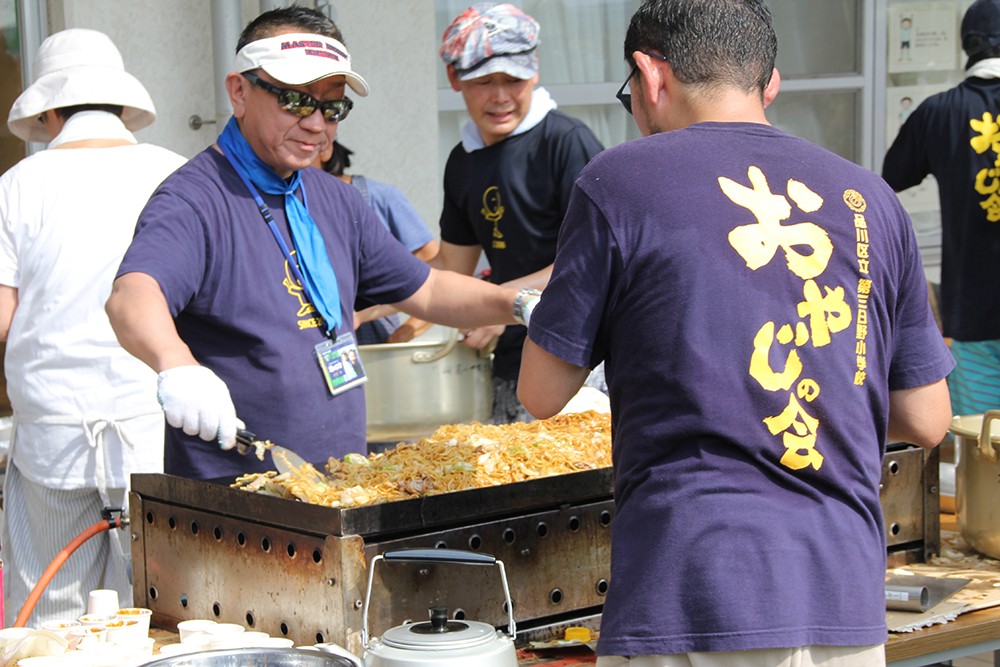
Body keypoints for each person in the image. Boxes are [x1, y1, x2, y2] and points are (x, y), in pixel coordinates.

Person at [517, 1, 954, 665]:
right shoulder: (872, 201)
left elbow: (542, 390)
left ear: (648, 75)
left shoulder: (618, 182)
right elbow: (927, 417)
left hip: (687, 592)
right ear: (769, 81)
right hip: (843, 599)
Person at [105, 6, 528, 482]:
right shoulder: (196, 198)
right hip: (238, 498)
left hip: (337, 486)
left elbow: (428, 291)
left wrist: (522, 305)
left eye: (332, 106)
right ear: (239, 91)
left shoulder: (333, 198)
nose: (316, 123)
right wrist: (177, 366)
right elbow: (132, 295)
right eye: (295, 100)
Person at [0, 28, 186, 626]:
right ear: (119, 102)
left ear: (49, 110)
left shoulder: (17, 185)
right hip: (157, 422)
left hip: (53, 431)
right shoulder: (176, 172)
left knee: (53, 611)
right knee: (163, 607)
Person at [394, 2, 605, 424]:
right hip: (509, 363)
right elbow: (451, 266)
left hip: (583, 362)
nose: (501, 95)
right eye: (483, 81)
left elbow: (591, 261)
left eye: (513, 79)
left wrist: (498, 306)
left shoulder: (566, 142)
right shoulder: (463, 161)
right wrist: (368, 301)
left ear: (535, 71)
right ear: (454, 78)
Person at [883, 0, 1000, 418]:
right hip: (969, 317)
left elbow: (889, 178)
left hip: (973, 314)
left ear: (967, 46)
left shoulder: (939, 112)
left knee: (982, 450)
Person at [316, 141, 439, 344]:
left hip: (376, 340)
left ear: (325, 149)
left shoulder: (380, 197)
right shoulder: (288, 203)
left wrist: (410, 328)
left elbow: (435, 267)